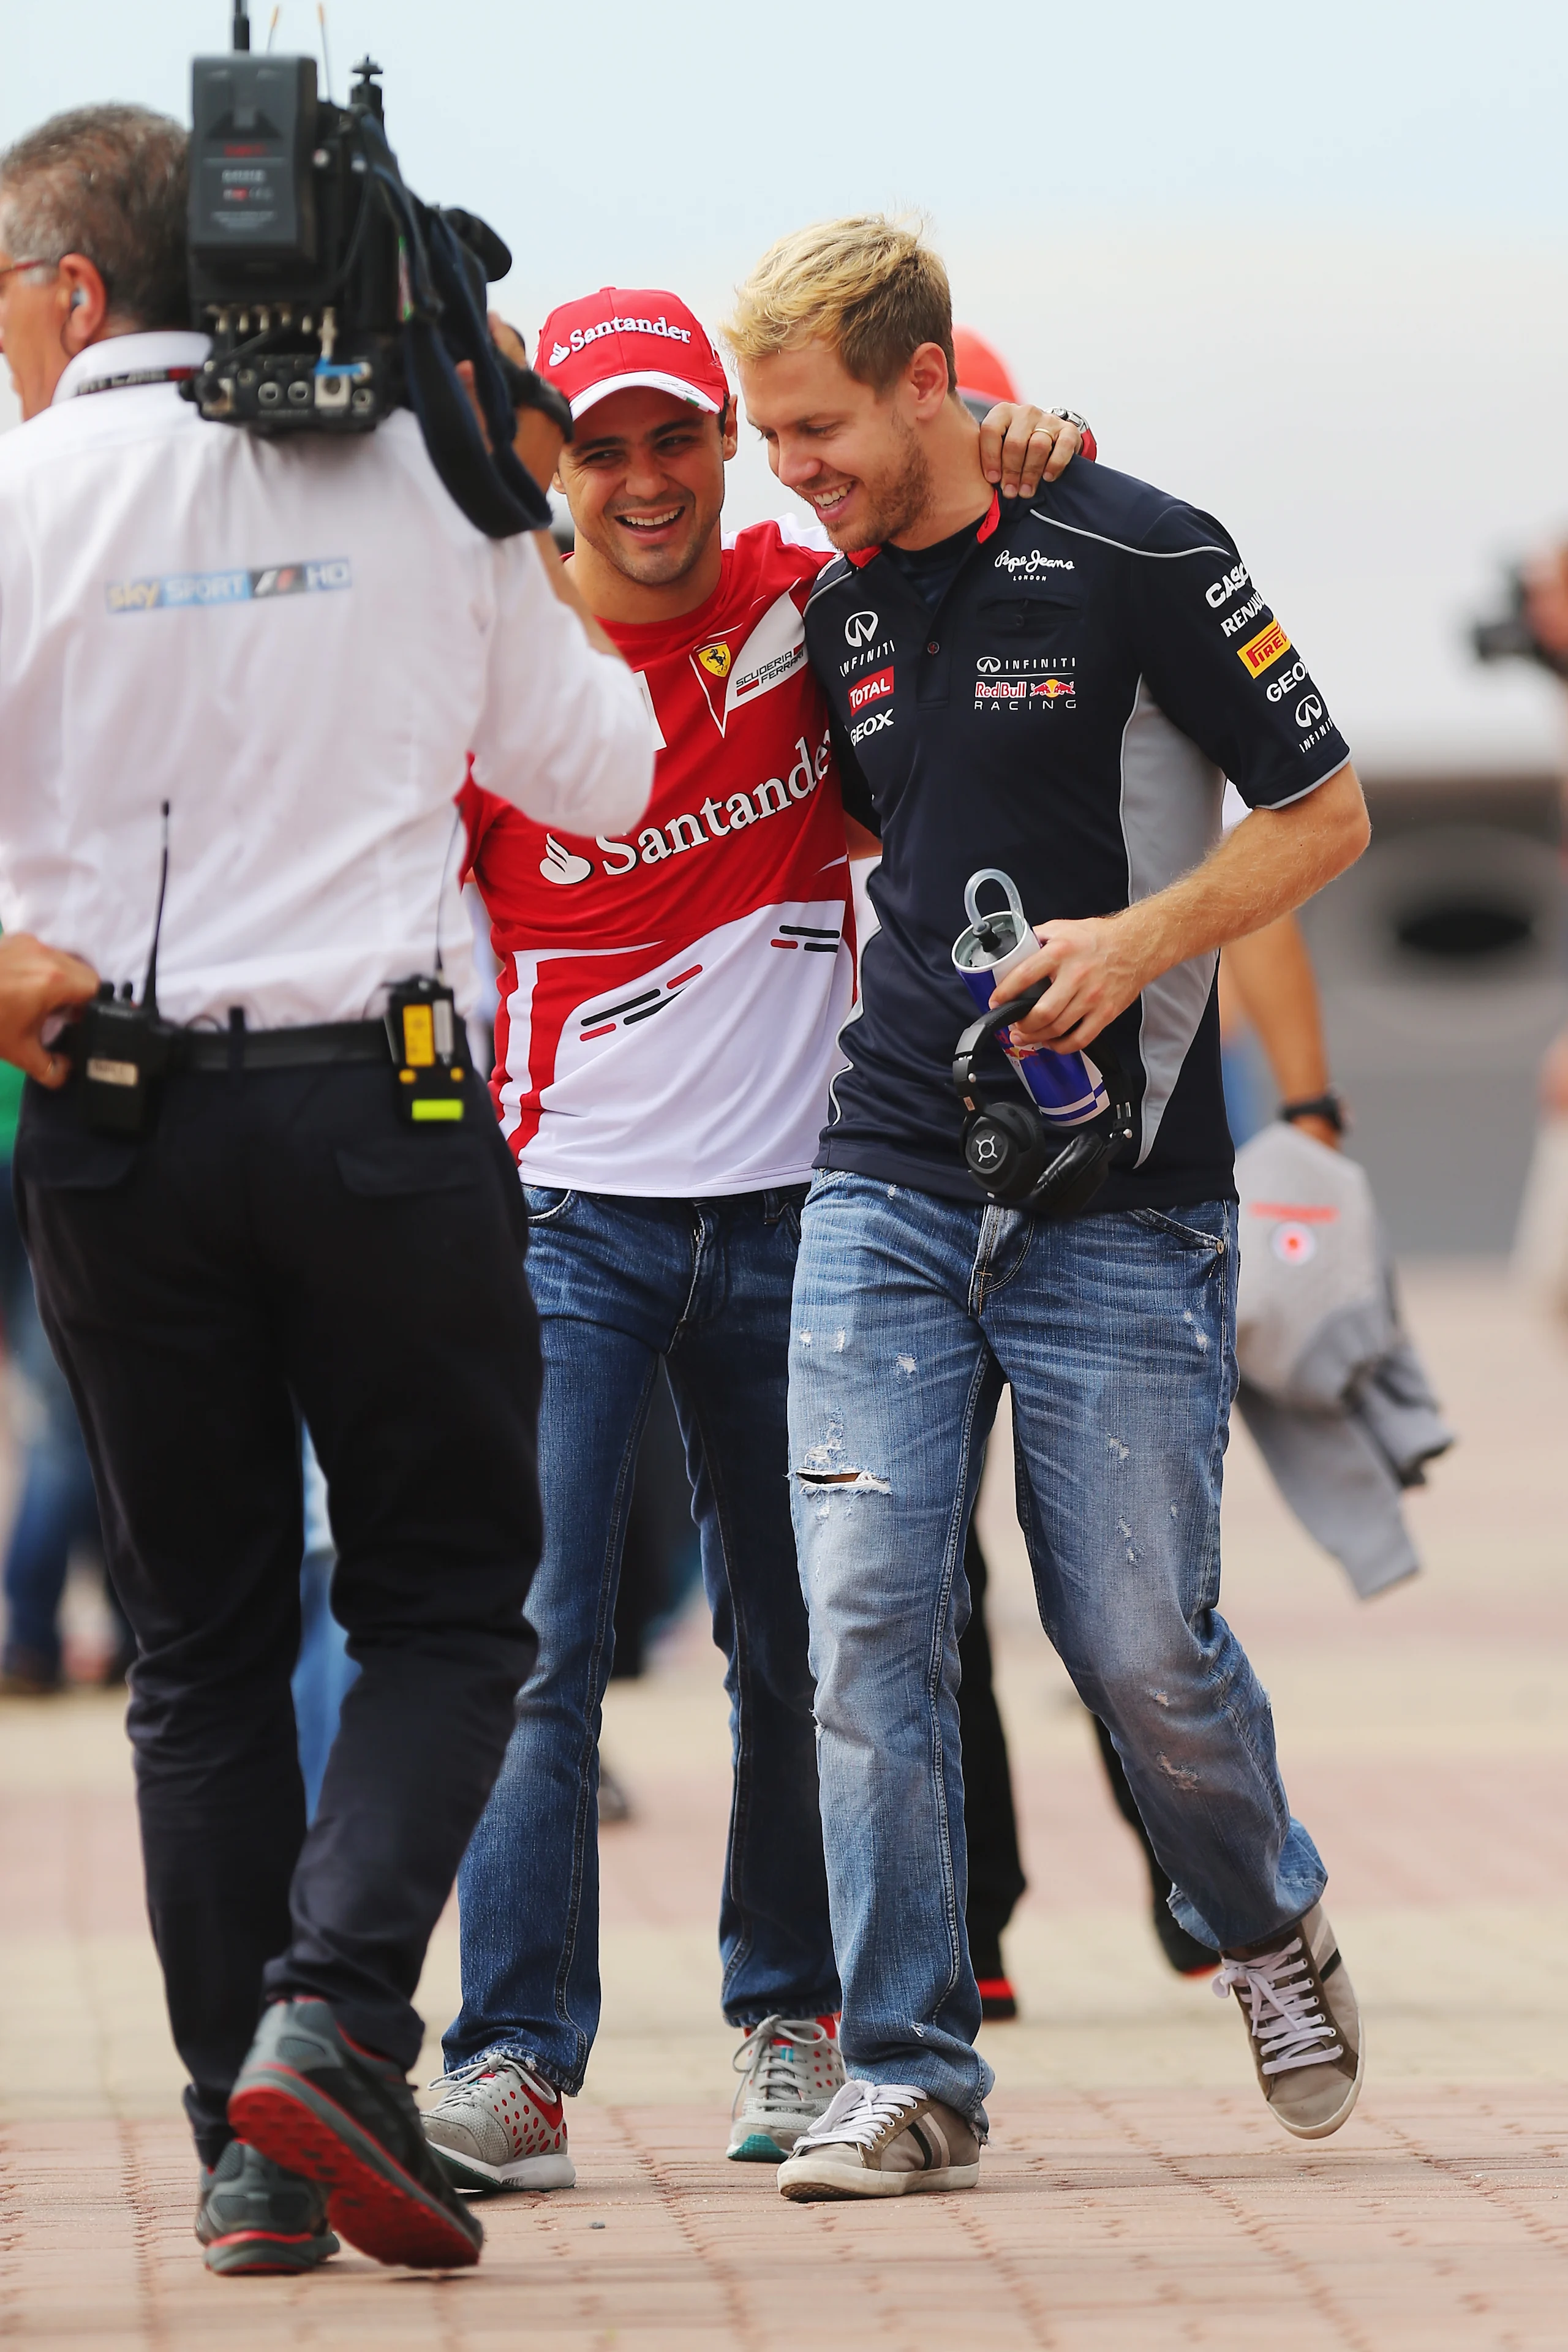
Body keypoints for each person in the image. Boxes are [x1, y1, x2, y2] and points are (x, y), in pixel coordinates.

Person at [0, 105, 650, 2278]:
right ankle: (334, 2021)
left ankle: (249, 2152)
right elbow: (600, 775)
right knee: (454, 1602)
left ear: (79, 292)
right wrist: (513, 477)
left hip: (110, 1117)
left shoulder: (23, 492)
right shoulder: (431, 470)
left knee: (195, 1643)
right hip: (384, 1111)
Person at [726, 213, 1373, 2202]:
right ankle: (909, 2068)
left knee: (1132, 1642)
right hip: (891, 1181)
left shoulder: (1142, 547)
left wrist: (1143, 938)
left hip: (1129, 1208)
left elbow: (1328, 810)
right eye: (771, 433)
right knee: (865, 1613)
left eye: (817, 424)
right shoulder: (833, 608)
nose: (790, 467)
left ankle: (1267, 1925)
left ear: (933, 380)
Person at [420, 285, 1082, 2191]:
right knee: (533, 1645)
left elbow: (974, 500)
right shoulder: (493, 666)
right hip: (563, 1227)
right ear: (556, 458)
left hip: (817, 1214)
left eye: (676, 437)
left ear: (728, 441)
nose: (646, 480)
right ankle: (514, 2067)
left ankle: (791, 2026)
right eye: (603, 444)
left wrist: (1047, 448)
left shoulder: (819, 599)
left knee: (805, 1640)